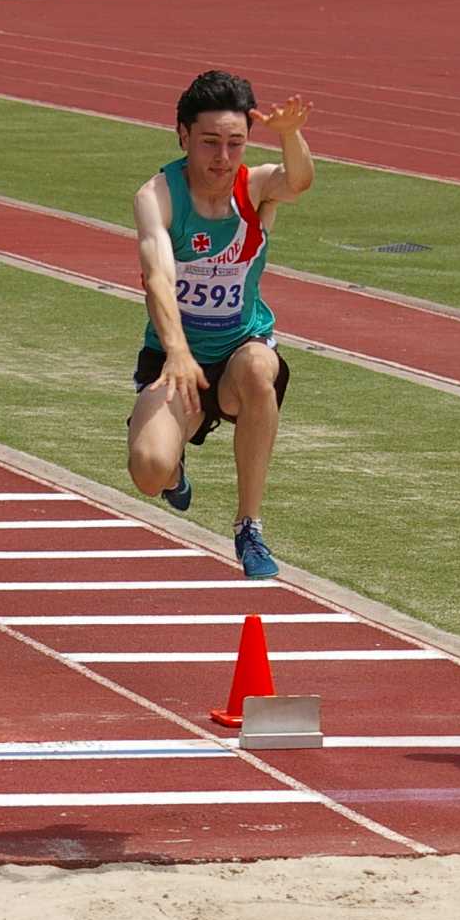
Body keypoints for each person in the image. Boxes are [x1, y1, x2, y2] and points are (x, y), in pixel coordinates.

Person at [126, 70, 314, 579]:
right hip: (174, 360)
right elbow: (158, 279)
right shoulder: (159, 196)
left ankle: (249, 525)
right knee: (148, 472)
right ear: (183, 135)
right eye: (210, 143)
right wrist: (178, 351)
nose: (223, 158)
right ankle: (174, 466)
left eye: (235, 144)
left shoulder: (253, 189)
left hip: (237, 355)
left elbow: (297, 182)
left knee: (259, 365)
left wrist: (291, 134)